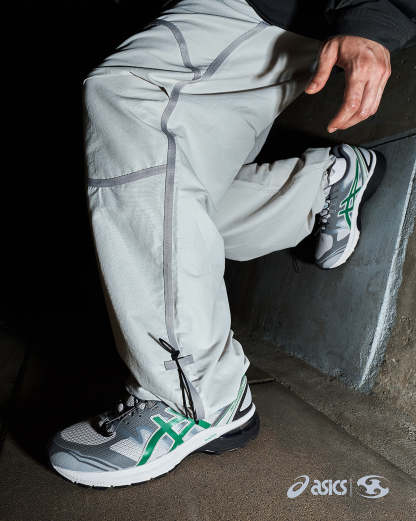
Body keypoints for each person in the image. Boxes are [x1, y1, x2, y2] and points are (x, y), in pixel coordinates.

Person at [48, 0, 416, 487]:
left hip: (250, 10)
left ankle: (197, 398)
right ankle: (321, 183)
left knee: (131, 98)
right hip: (253, 25)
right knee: (167, 201)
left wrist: (373, 19)